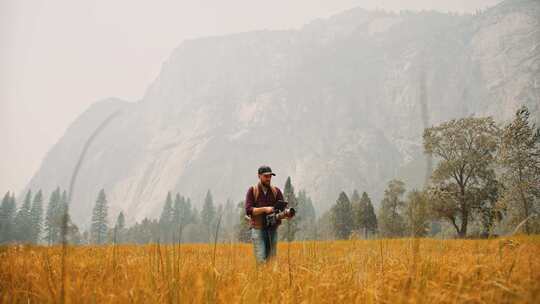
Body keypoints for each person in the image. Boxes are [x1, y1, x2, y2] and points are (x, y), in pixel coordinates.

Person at [244, 165, 292, 264]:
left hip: (272, 229)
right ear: (259, 176)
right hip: (258, 230)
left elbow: (281, 210)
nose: (268, 178)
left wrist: (286, 215)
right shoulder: (252, 191)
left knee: (272, 261)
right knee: (261, 261)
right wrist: (265, 209)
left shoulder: (276, 191)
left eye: (270, 176)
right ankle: (262, 279)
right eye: (266, 176)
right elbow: (248, 210)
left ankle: (270, 279)